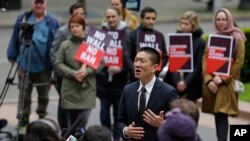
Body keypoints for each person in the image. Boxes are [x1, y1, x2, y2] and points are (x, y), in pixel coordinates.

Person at [7, 0, 59, 127]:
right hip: (24, 67)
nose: (39, 5)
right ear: (32, 3)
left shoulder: (52, 21)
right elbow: (15, 36)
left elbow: (56, 44)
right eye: (36, 2)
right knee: (24, 95)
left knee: (44, 96)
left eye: (41, 2)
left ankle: (42, 118)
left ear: (45, 3)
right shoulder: (23, 17)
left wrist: (54, 66)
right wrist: (13, 56)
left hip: (44, 67)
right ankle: (24, 119)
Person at [202, 8, 246, 141]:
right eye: (218, 19)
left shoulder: (237, 38)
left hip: (226, 84)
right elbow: (206, 58)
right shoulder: (213, 37)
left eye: (224, 19)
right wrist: (209, 80)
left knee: (222, 114)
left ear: (229, 20)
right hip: (212, 83)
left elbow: (239, 62)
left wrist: (222, 78)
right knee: (217, 114)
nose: (220, 22)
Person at [55, 15, 102, 136]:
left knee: (81, 124)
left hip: (87, 90)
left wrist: (88, 71)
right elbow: (58, 63)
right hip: (70, 90)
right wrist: (73, 73)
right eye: (72, 26)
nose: (75, 29)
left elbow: (101, 62)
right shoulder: (65, 45)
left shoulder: (92, 44)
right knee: (71, 126)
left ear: (83, 27)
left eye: (77, 26)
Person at [118, 47, 177, 141]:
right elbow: (120, 121)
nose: (137, 64)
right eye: (136, 60)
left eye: (142, 61)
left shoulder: (168, 92)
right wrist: (126, 131)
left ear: (154, 67)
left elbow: (178, 125)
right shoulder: (127, 90)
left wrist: (163, 125)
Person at [50, 2, 85, 131]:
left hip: (80, 77)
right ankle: (64, 131)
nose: (80, 16)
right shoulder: (62, 31)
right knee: (64, 105)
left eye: (82, 14)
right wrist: (63, 72)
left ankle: (76, 133)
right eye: (77, 14)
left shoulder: (84, 32)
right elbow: (54, 55)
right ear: (71, 15)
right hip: (64, 77)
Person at [97, 7, 128, 141]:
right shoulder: (101, 33)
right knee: (104, 111)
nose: (110, 20)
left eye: (113, 16)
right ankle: (105, 137)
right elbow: (92, 53)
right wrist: (100, 60)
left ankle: (116, 138)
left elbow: (131, 57)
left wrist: (121, 68)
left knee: (118, 113)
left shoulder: (127, 33)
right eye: (108, 17)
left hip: (120, 82)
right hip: (103, 80)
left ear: (119, 16)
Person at [168, 10, 206, 102]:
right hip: (174, 81)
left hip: (192, 83)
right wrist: (177, 81)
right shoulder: (176, 38)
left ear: (194, 25)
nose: (183, 26)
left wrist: (185, 82)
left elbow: (198, 66)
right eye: (182, 23)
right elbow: (173, 62)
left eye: (186, 24)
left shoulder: (200, 42)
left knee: (189, 112)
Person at [124, 7, 168, 82]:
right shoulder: (132, 35)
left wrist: (155, 71)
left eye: (153, 19)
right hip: (135, 79)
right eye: (148, 18)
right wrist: (137, 72)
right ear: (141, 19)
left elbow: (164, 56)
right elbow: (127, 57)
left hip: (153, 78)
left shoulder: (159, 35)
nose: (151, 21)